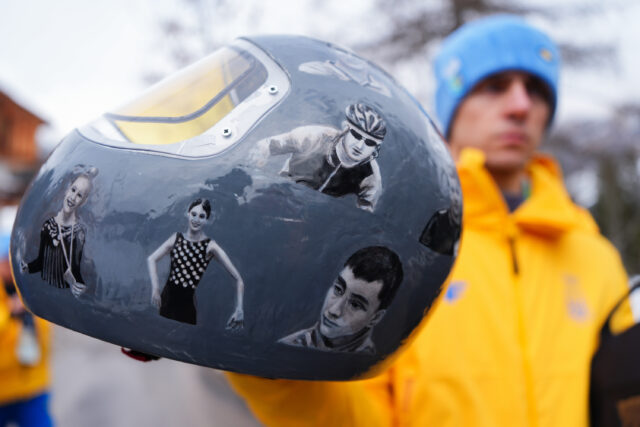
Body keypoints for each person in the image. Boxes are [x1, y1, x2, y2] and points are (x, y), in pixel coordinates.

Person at [225, 15, 633, 426]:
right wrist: (265, 363)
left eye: (537, 91)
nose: (520, 106)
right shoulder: (400, 239)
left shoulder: (596, 259)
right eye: (494, 87)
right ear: (453, 106)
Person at [250, 103, 387, 212]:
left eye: (370, 143)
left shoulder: (371, 175)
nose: (360, 145)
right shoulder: (316, 137)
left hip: (316, 216)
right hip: (282, 193)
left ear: (376, 148)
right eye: (356, 135)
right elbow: (268, 145)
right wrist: (259, 158)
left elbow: (365, 212)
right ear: (346, 129)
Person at [279, 246, 403, 354]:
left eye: (355, 304)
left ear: (375, 318)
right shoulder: (288, 347)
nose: (334, 310)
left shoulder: (380, 362)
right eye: (338, 289)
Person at [147, 198, 244, 328]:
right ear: (188, 214)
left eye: (201, 216)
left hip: (187, 307)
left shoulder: (210, 246)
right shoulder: (176, 238)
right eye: (193, 214)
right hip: (166, 301)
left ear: (207, 220)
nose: (196, 219)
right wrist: (155, 289)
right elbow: (151, 259)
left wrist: (239, 308)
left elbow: (239, 279)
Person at [21, 167, 98, 297]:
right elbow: (40, 262)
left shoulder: (78, 233)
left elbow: (76, 270)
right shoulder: (48, 225)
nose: (73, 197)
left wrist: (80, 287)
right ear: (67, 189)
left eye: (80, 195)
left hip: (61, 297)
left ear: (84, 201)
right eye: (73, 190)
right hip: (42, 294)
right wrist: (27, 267)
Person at [0, 235, 53, 427]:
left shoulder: (30, 286)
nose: (10, 264)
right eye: (5, 259)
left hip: (32, 385)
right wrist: (10, 312)